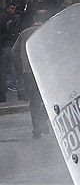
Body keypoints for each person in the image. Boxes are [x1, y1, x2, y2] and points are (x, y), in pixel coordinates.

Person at [11, 9, 51, 138]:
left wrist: (22, 64)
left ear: (34, 19)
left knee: (34, 101)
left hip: (28, 72)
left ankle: (36, 131)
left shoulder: (25, 33)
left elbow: (14, 52)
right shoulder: (48, 32)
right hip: (45, 71)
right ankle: (42, 118)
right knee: (49, 99)